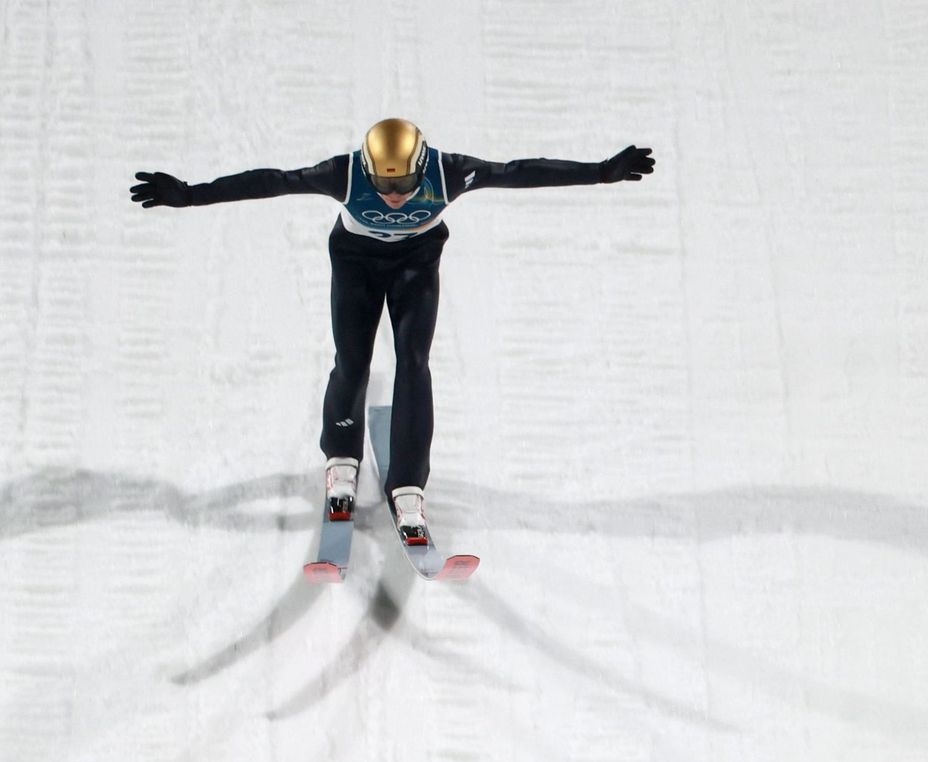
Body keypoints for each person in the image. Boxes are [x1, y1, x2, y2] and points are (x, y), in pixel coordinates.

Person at [131, 119, 654, 542]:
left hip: (415, 268)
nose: (395, 196)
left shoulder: (449, 172)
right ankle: (341, 456)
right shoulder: (344, 174)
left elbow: (517, 173)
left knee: (414, 364)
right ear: (368, 171)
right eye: (384, 185)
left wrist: (600, 172)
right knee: (352, 361)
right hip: (355, 265)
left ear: (421, 167)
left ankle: (408, 485)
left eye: (404, 184)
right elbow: (274, 181)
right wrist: (192, 195)